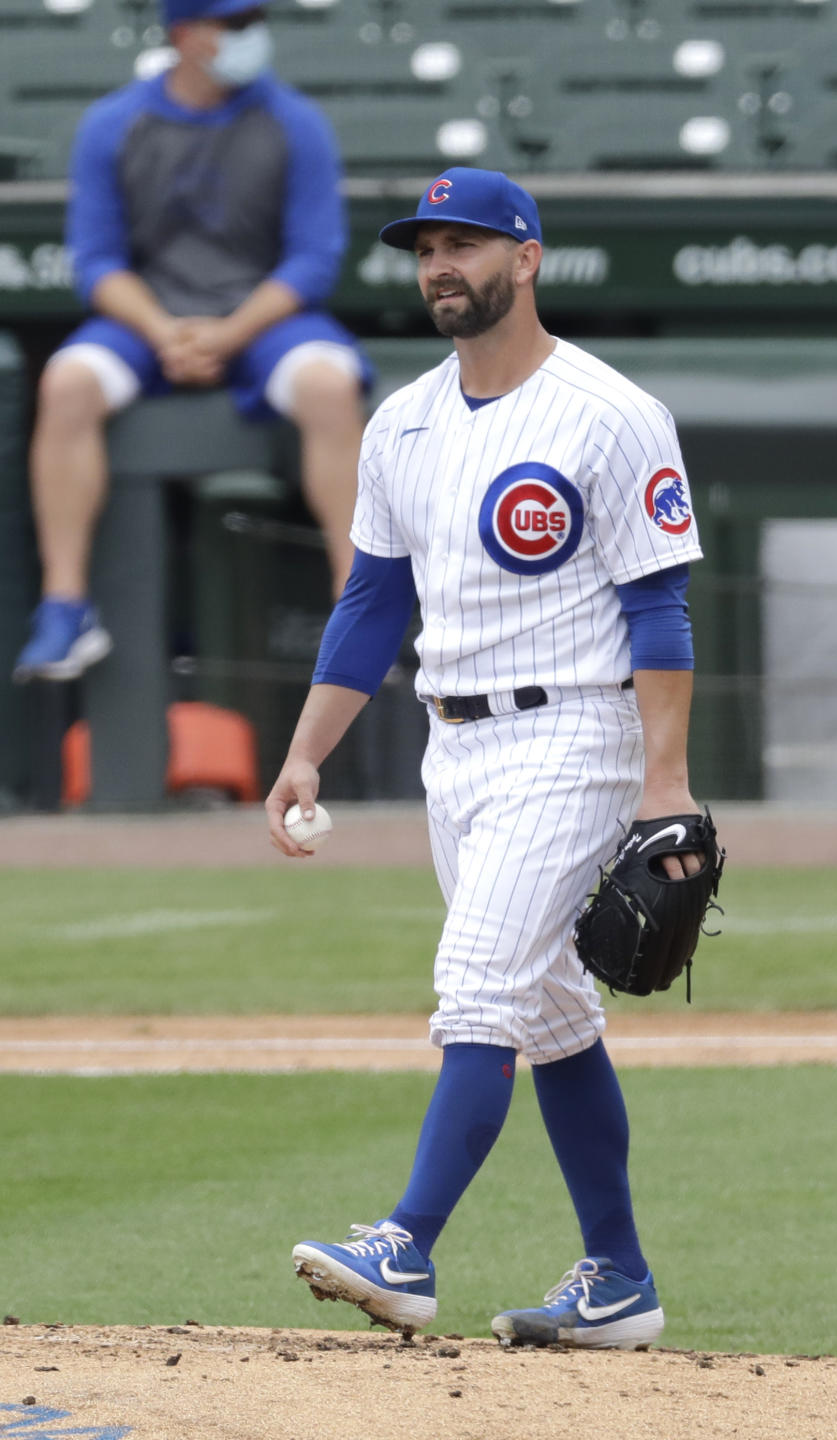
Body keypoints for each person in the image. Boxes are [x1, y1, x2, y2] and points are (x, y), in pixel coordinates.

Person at [265, 168, 706, 1349]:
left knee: (480, 987)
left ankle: (404, 1245)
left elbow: (660, 609)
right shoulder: (403, 421)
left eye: (467, 242)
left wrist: (664, 783)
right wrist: (305, 754)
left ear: (529, 257)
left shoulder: (609, 412)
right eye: (426, 249)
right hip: (451, 745)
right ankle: (619, 1277)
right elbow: (370, 605)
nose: (441, 266)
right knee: (554, 1013)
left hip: (576, 733)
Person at [13, 0, 370, 684]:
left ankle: (353, 603)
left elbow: (313, 260)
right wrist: (164, 332)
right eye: (230, 24)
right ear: (184, 34)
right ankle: (66, 608)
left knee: (329, 385)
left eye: (252, 21)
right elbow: (96, 261)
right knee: (67, 382)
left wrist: (230, 332)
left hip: (264, 322)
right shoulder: (113, 123)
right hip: (151, 321)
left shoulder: (296, 121)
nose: (248, 36)